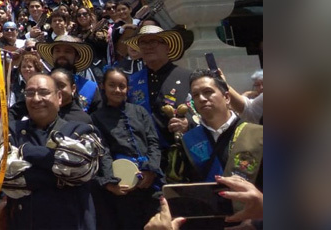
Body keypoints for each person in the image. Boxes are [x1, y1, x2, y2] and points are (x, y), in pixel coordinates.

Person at [5, 74, 101, 229]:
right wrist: (59, 175)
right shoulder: (12, 130)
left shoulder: (80, 131)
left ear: (59, 98)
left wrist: (25, 150)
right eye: (30, 93)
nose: (36, 99)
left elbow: (79, 169)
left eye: (43, 92)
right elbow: (4, 176)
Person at [92, 68, 163, 230]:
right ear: (103, 86)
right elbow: (104, 152)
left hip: (150, 181)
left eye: (122, 86)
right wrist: (112, 181)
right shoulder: (96, 117)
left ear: (128, 89)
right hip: (123, 185)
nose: (117, 90)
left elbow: (153, 142)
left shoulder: (139, 111)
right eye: (112, 85)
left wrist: (151, 170)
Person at [166, 72, 263, 189]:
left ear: (227, 97)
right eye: (196, 95)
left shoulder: (258, 135)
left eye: (208, 92)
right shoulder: (187, 141)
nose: (201, 98)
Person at [123, 25, 194, 168]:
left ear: (167, 46)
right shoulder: (132, 81)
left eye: (153, 42)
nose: (148, 47)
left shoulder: (187, 77)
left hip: (182, 155)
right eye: (143, 43)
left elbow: (203, 110)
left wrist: (189, 122)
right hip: (145, 158)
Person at [36, 35, 101, 112]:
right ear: (52, 55)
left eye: (67, 51)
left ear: (76, 57)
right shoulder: (39, 84)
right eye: (57, 51)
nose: (61, 55)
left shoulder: (90, 87)